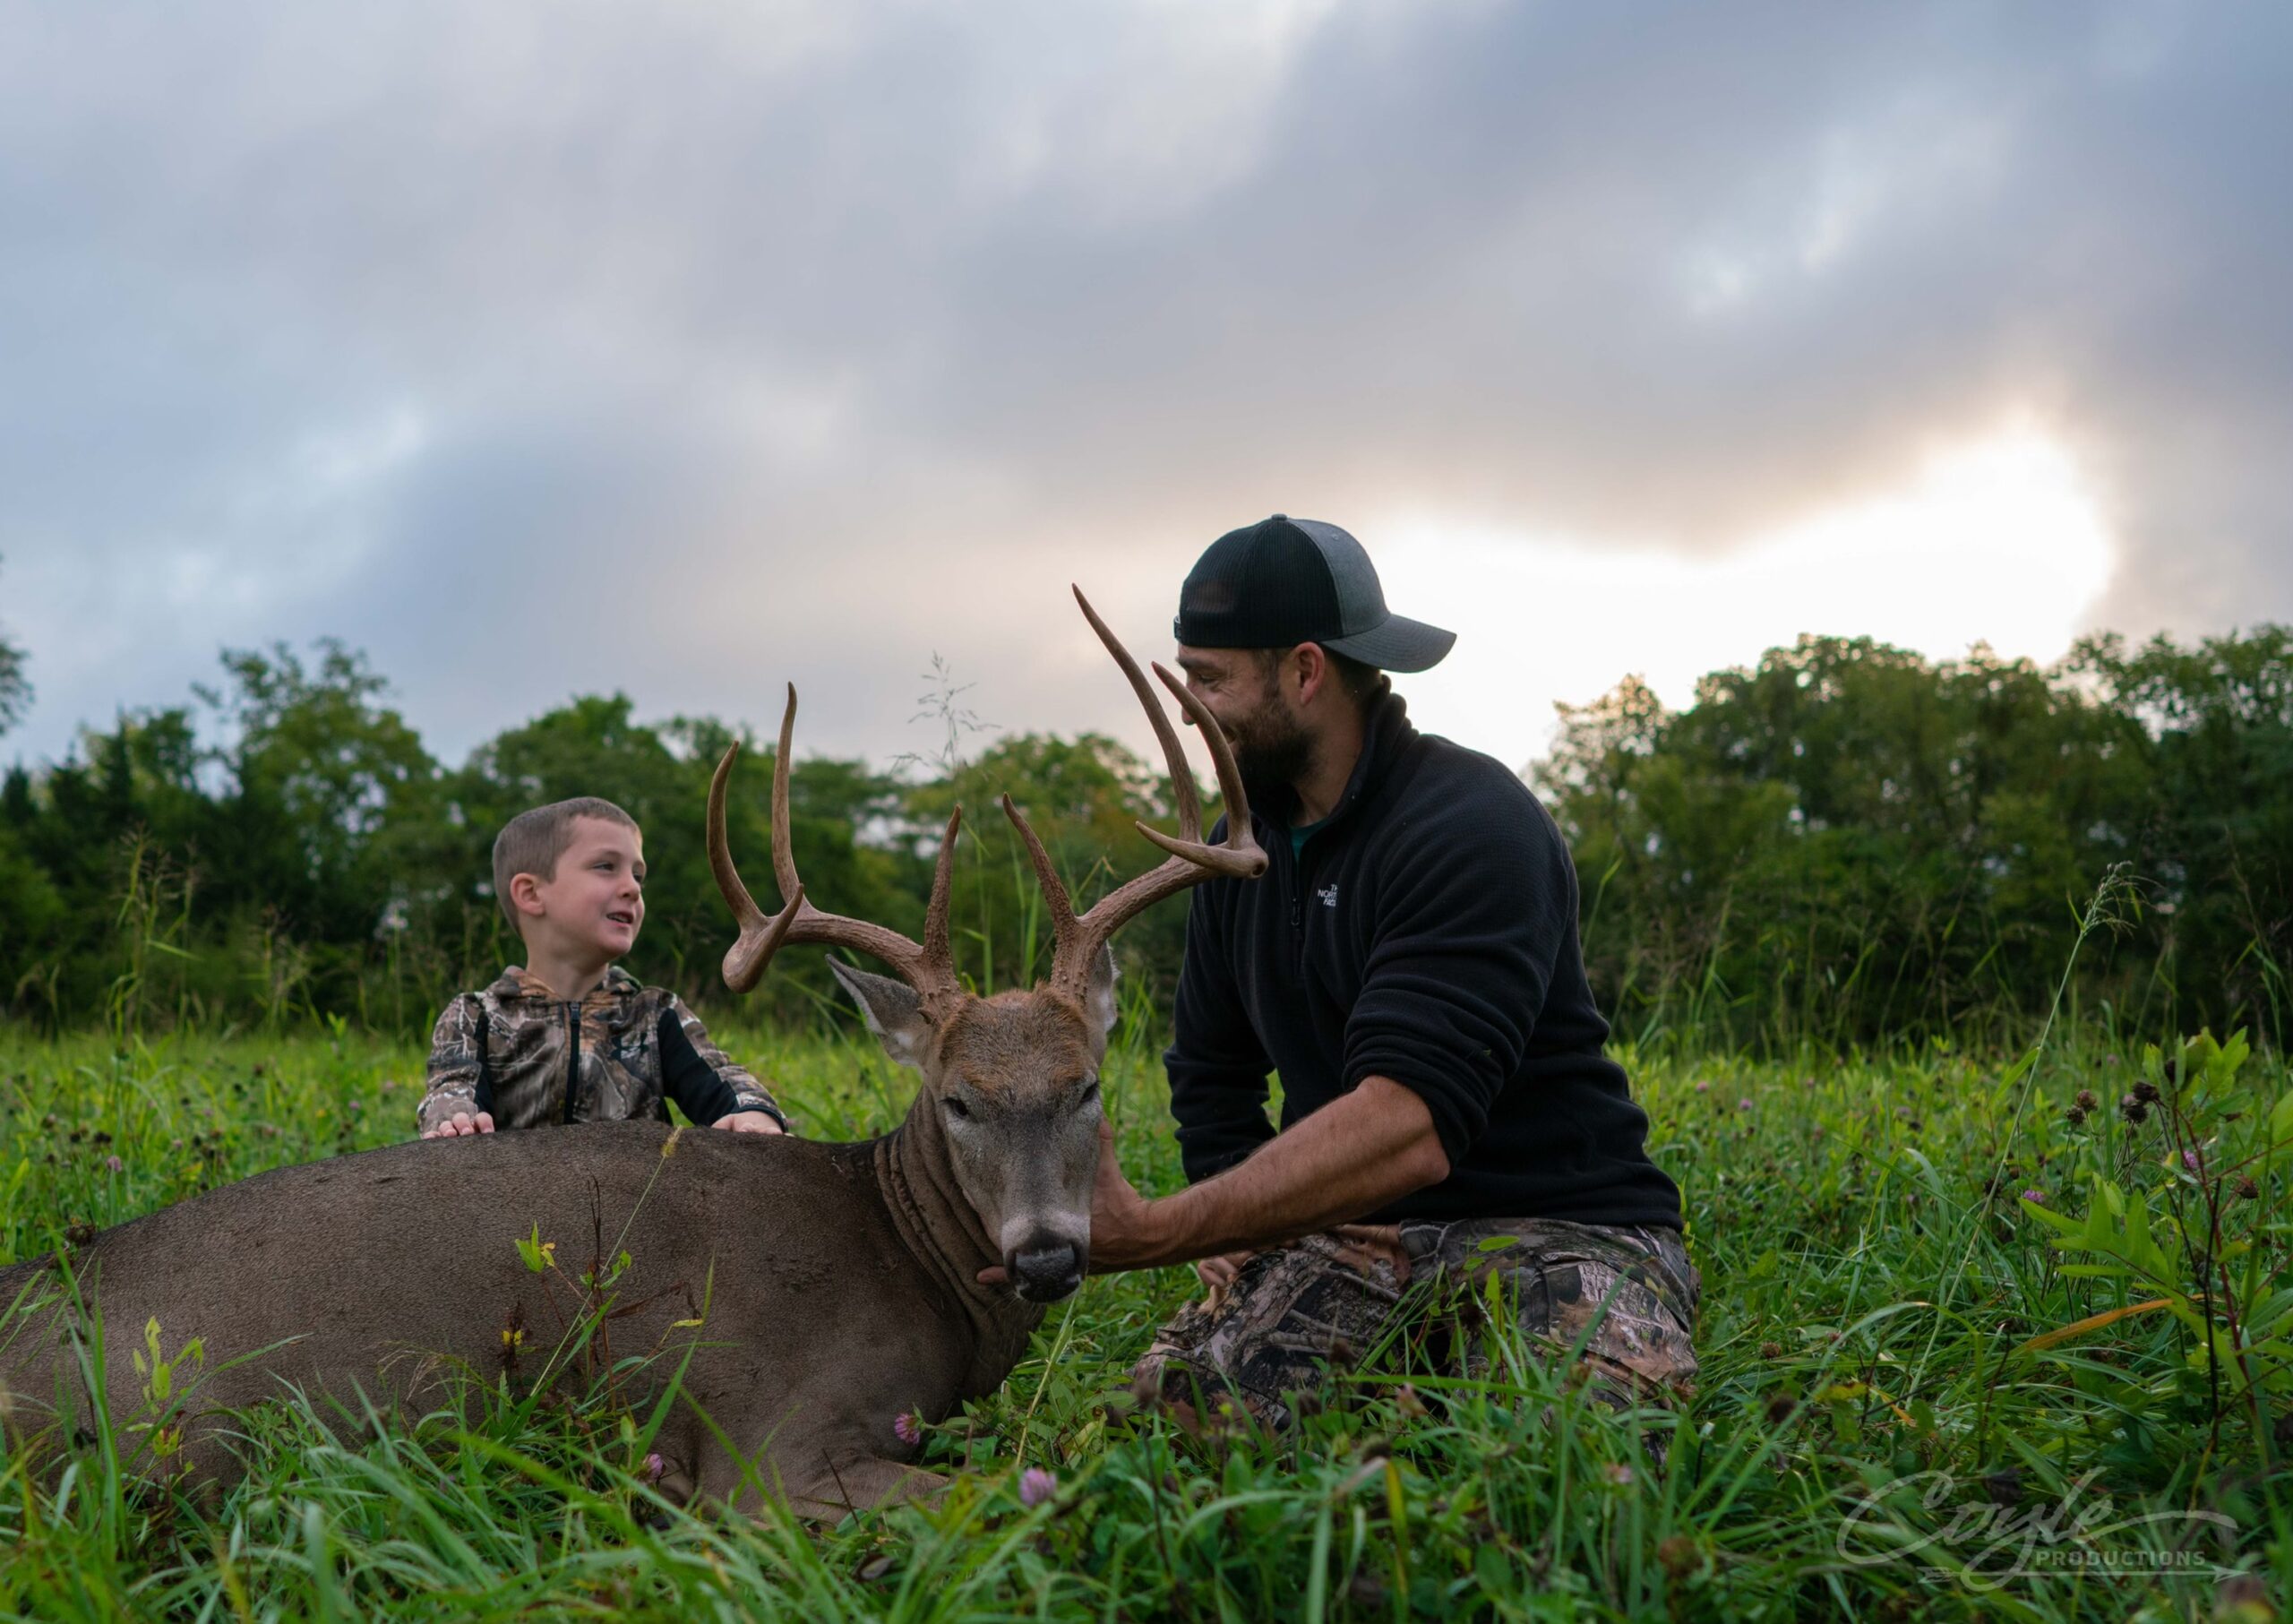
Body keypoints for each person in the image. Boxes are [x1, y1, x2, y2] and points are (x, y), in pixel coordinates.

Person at [1088, 515, 1696, 1435]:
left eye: (1207, 678)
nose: (1185, 707)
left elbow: (1410, 1122)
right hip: (1351, 1238)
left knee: (1568, 1458)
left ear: (1303, 671)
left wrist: (1166, 1227)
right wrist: (1239, 1225)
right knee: (1165, 1425)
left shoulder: (1469, 824)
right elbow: (1211, 1072)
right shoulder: (1231, 853)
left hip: (1559, 1224)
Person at [415, 796, 789, 1140]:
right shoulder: (476, 1015)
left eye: (638, 875)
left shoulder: (654, 1015)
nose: (632, 888)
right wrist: (455, 1119)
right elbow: (453, 1086)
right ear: (530, 894)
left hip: (632, 1206)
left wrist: (754, 1112)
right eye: (605, 867)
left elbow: (722, 1080)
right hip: (517, 1206)